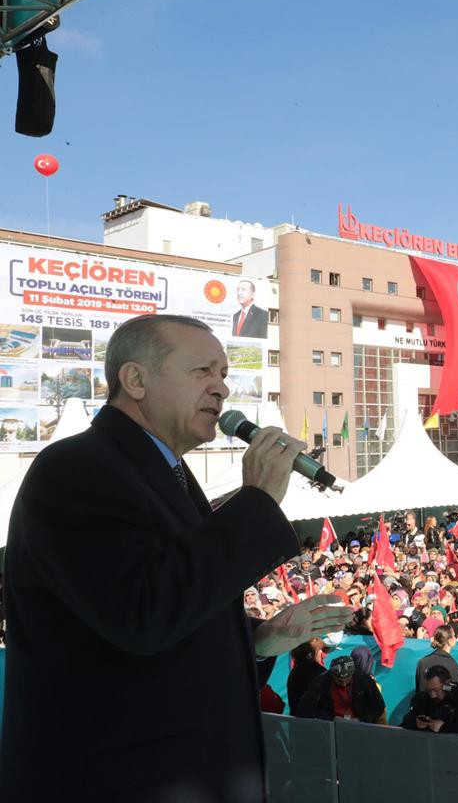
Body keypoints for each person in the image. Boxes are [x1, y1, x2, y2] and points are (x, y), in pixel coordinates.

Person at [1, 314, 350, 802]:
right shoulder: (75, 469)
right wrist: (257, 501)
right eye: (202, 371)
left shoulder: (167, 474)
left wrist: (262, 639)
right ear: (136, 380)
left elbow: (174, 604)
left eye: (224, 373)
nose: (221, 388)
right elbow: (144, 613)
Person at [295, 651, 387, 724]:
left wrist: (361, 719)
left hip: (359, 726)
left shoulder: (364, 680)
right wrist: (330, 718)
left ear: (353, 674)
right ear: (332, 675)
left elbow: (379, 705)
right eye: (339, 681)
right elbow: (305, 707)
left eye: (347, 680)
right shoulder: (320, 682)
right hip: (331, 726)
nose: (343, 684)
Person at [400, 664, 458, 736]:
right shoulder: (424, 698)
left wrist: (444, 727)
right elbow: (406, 720)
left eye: (436, 690)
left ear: (447, 685)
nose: (432, 695)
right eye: (429, 690)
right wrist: (416, 722)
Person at [287, 637, 329, 714]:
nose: (321, 654)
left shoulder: (294, 672)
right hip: (314, 718)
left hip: (295, 718)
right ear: (311, 654)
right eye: (319, 650)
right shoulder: (319, 672)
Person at [415, 625, 458, 693]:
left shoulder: (422, 662)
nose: (455, 638)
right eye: (454, 636)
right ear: (450, 641)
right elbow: (453, 691)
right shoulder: (453, 665)